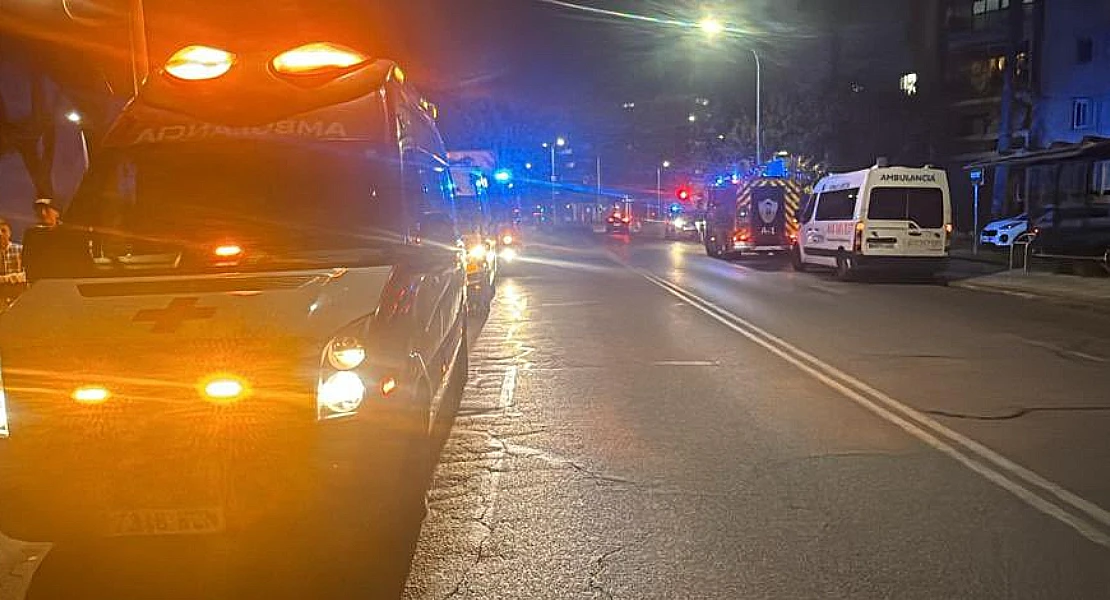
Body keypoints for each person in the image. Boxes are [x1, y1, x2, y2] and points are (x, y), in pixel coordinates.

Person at [0, 218, 26, 304]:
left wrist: (6, 279)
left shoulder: (21, 250)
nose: (0, 234)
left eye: (3, 231)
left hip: (18, 297)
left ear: (9, 233)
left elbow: (27, 274)